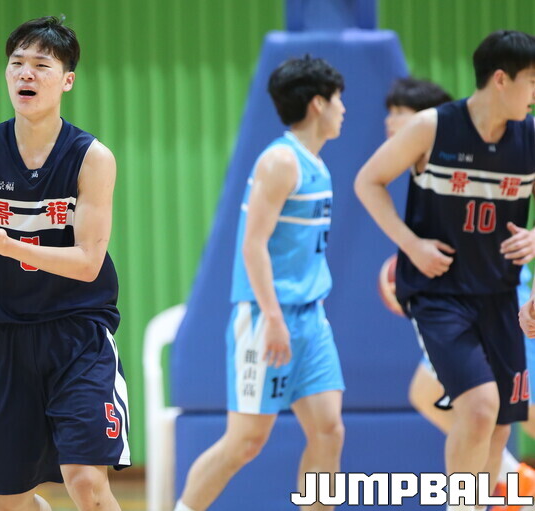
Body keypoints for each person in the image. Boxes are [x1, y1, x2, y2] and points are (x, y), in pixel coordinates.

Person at [0, 16, 129, 511]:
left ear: (67, 80)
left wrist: (11, 246)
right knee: (8, 503)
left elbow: (87, 263)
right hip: (3, 338)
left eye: (41, 65)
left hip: (77, 334)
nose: (26, 73)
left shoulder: (92, 157)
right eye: (17, 63)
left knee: (86, 481)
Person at [355, 31, 535, 511]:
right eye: (532, 82)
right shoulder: (432, 128)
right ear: (502, 79)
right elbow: (367, 181)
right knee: (478, 408)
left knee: (499, 427)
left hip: (501, 295)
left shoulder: (530, 137)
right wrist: (411, 244)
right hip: (440, 295)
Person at [173, 55, 346, 511]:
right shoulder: (280, 161)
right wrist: (273, 318)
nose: (343, 109)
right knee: (245, 441)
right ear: (318, 104)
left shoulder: (317, 164)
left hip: (311, 318)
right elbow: (253, 246)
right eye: (338, 99)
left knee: (329, 430)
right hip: (268, 317)